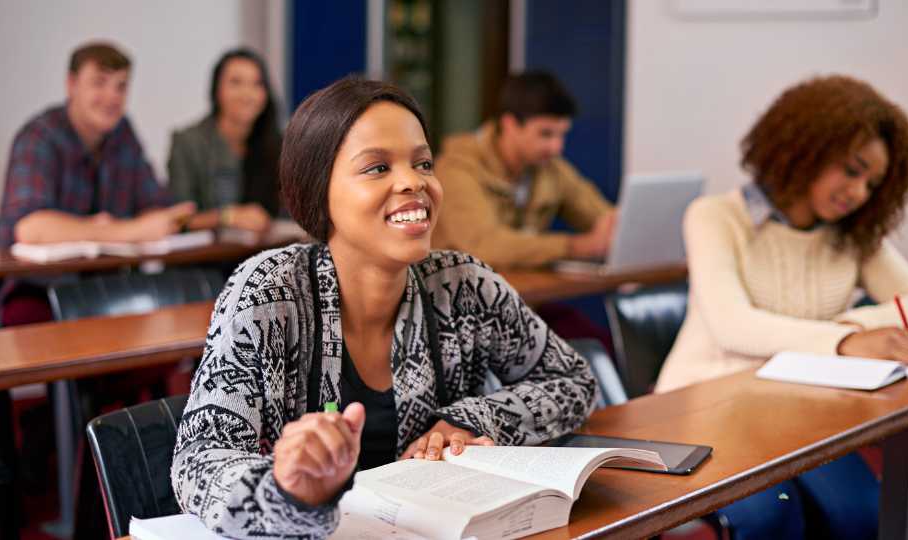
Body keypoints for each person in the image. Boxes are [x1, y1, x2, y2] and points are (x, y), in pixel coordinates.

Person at [171, 77, 597, 538]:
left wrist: (466, 420)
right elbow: (199, 461)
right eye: (377, 168)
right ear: (319, 190)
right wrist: (287, 490)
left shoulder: (462, 284)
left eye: (423, 163)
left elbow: (574, 381)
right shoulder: (269, 292)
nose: (414, 182)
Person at [656, 75, 908, 539]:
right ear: (804, 147)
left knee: (864, 516)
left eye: (873, 183)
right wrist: (847, 341)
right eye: (852, 170)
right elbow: (735, 327)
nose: (859, 193)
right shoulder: (715, 216)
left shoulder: (853, 233)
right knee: (775, 520)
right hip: (707, 413)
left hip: (798, 414)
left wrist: (849, 327)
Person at [0, 41, 195, 324]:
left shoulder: (122, 134)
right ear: (71, 84)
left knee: (175, 319)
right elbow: (31, 228)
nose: (111, 97)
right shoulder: (38, 137)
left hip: (106, 289)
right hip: (39, 290)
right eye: (99, 82)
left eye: (121, 86)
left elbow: (159, 207)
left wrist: (162, 220)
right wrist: (128, 230)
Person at [432, 71, 616, 269]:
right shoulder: (456, 169)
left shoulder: (551, 168)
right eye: (546, 134)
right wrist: (577, 247)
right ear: (510, 124)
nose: (556, 147)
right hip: (456, 294)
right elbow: (484, 245)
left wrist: (615, 228)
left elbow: (603, 218)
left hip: (517, 292)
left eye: (562, 134)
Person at [167, 48, 282, 232]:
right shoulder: (188, 142)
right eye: (236, 83)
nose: (247, 94)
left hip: (263, 256)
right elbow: (178, 218)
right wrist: (228, 216)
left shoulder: (278, 144)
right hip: (206, 257)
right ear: (216, 90)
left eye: (257, 84)